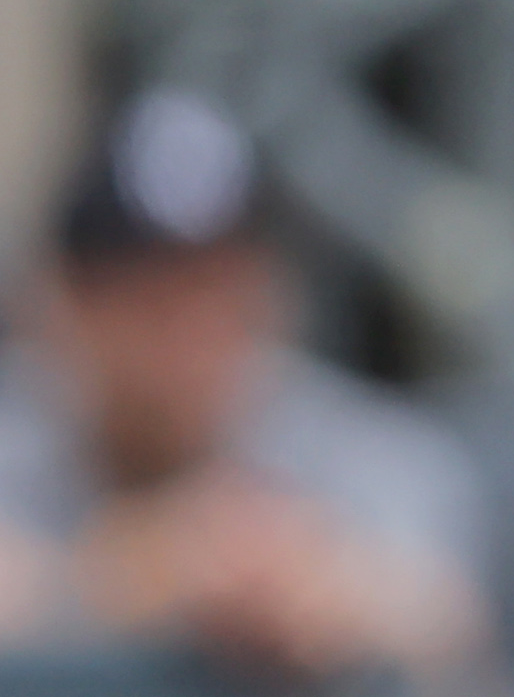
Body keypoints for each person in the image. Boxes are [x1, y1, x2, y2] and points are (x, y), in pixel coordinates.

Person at [0, 93, 486, 683]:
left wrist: (326, 587)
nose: (192, 339)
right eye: (153, 303)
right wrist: (130, 570)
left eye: (221, 296)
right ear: (67, 304)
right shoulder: (24, 423)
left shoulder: (356, 441)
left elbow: (450, 618)